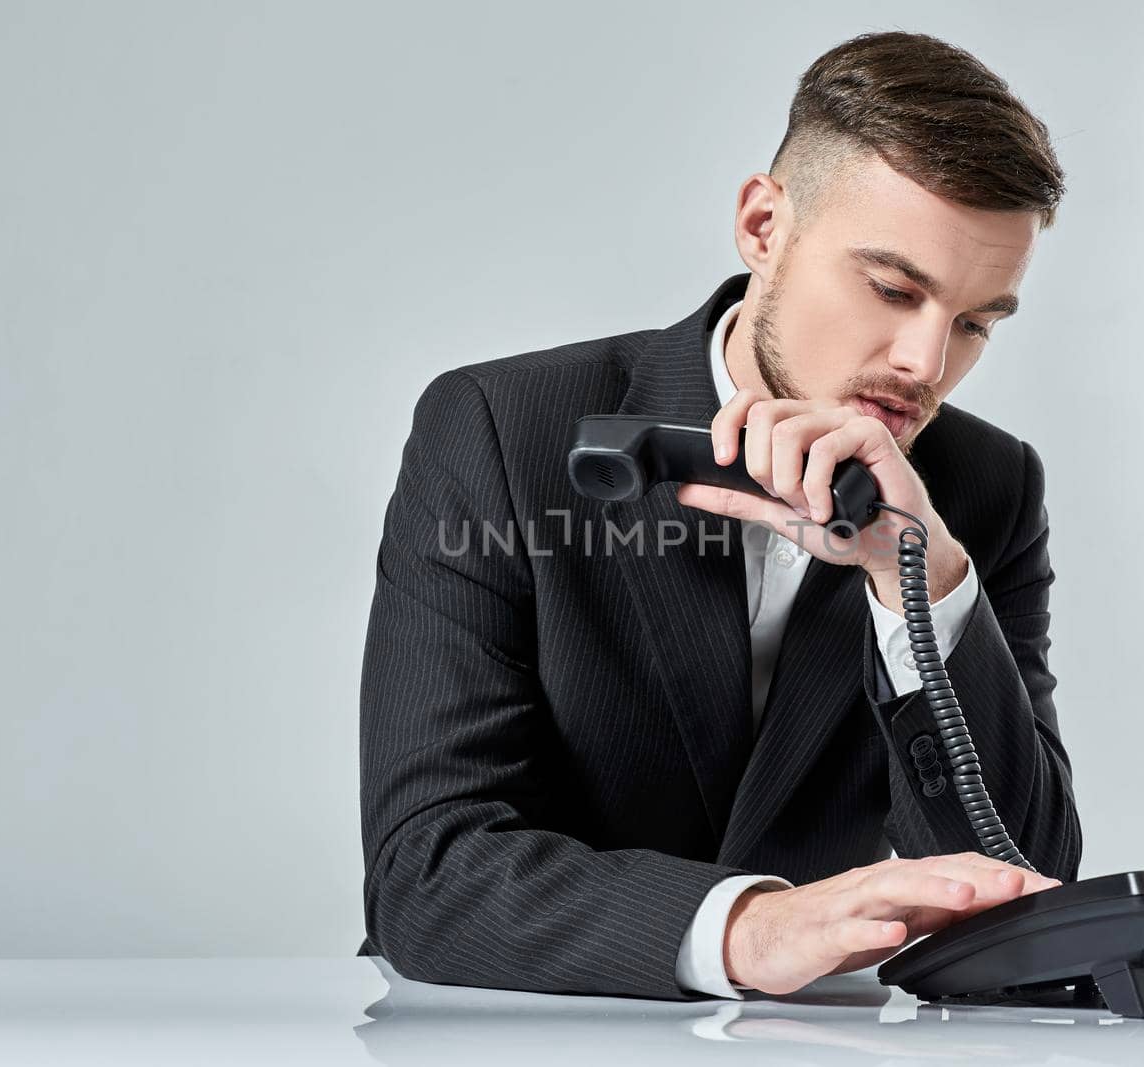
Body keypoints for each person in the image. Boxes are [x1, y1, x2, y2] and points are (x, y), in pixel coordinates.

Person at [359, 30, 1082, 1001]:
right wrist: (752, 924)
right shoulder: (497, 429)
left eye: (975, 321)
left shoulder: (984, 489)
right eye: (893, 289)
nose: (925, 361)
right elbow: (425, 871)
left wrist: (924, 583)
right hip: (515, 1027)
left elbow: (1025, 880)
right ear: (761, 225)